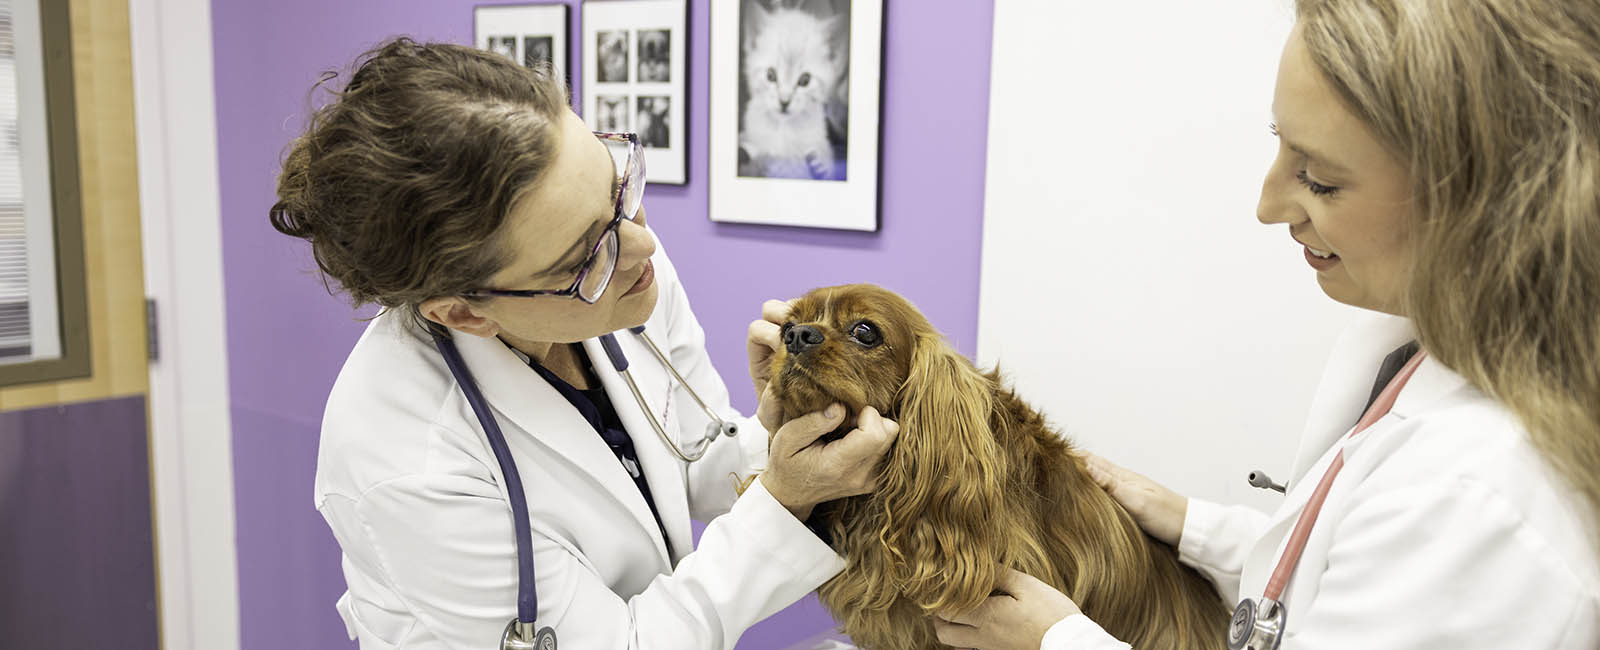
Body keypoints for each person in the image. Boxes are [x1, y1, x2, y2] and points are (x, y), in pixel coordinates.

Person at [933, 1, 1600, 648]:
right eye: (1282, 146)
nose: (1268, 205)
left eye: (1319, 179)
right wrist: (1195, 525)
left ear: (1484, 195)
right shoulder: (1417, 354)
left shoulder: (1480, 497)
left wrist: (1055, 640)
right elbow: (1341, 581)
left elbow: (1421, 559)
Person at [268, 39, 899, 650]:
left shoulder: (621, 267)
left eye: (619, 188)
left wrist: (777, 428)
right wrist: (783, 500)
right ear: (463, 311)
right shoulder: (404, 461)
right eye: (585, 254)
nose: (643, 246)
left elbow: (691, 465)